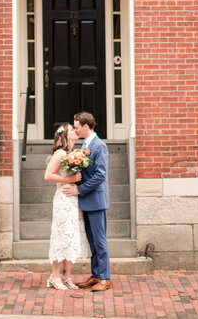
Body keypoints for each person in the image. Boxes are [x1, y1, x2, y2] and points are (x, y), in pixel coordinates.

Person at [63, 111, 111, 292]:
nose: (75, 130)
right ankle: (96, 275)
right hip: (87, 200)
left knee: (99, 241)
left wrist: (79, 189)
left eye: (76, 127)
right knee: (92, 241)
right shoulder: (84, 147)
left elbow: (100, 175)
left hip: (97, 200)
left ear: (85, 126)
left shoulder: (100, 146)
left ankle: (105, 278)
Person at [43, 122, 88, 290]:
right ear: (65, 135)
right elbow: (48, 175)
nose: (76, 131)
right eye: (72, 130)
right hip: (63, 199)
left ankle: (67, 276)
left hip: (73, 199)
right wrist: (69, 180)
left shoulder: (73, 153)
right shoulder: (60, 153)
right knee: (61, 236)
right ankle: (54, 276)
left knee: (71, 236)